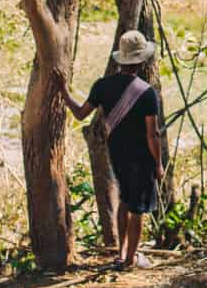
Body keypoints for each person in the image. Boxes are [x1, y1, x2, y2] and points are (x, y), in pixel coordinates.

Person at [56, 29, 163, 269]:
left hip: (116, 152)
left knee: (124, 200)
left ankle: (122, 252)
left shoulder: (102, 86)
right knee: (137, 209)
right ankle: (130, 259)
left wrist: (63, 91)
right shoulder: (147, 93)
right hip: (141, 157)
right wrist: (157, 163)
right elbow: (152, 134)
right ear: (141, 60)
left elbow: (81, 113)